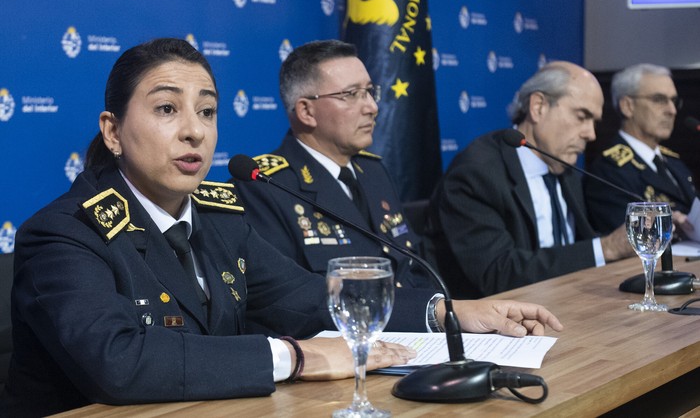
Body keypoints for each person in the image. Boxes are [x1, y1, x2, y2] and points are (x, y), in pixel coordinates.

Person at [0, 38, 563, 417]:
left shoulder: (220, 217)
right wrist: (296, 357)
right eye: (168, 110)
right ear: (114, 131)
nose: (195, 132)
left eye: (208, 110)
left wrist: (451, 311)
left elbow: (309, 297)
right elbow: (118, 363)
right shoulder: (63, 233)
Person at [424, 61, 635, 299]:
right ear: (538, 107)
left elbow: (577, 246)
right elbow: (498, 274)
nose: (591, 133)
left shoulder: (564, 165)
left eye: (594, 122)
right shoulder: (476, 173)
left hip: (570, 304)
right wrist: (607, 248)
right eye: (581, 116)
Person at [234, 39, 430, 289]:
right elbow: (290, 300)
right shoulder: (264, 187)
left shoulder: (373, 171)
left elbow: (417, 270)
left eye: (370, 91)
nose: (372, 107)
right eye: (351, 94)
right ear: (306, 111)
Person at [585, 63, 697, 236]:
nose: (672, 110)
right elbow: (627, 240)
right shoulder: (608, 169)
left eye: (674, 101)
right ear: (627, 106)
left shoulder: (673, 163)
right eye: (659, 100)